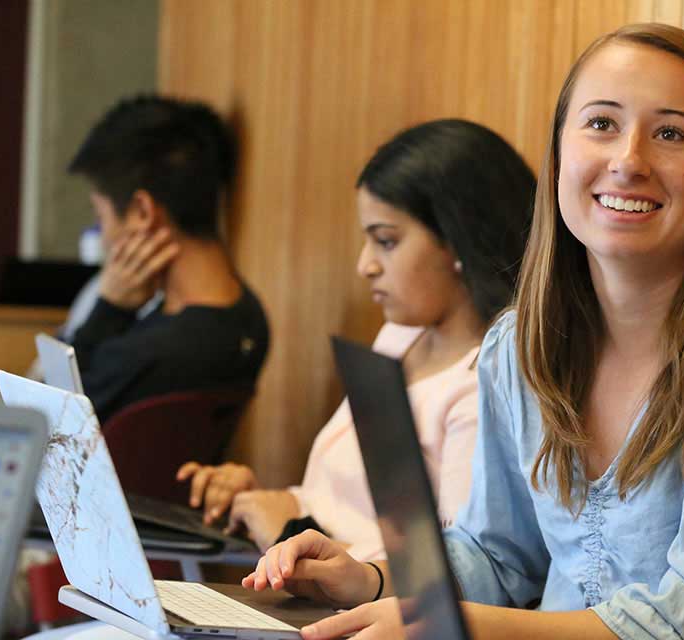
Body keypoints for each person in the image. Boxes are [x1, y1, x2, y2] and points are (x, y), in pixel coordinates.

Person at [242, 23, 684, 640]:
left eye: (670, 133)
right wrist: (371, 579)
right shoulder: (516, 346)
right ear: (559, 157)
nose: (629, 160)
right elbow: (498, 556)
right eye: (602, 123)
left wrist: (468, 628)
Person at [177, 119, 536, 560]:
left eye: (386, 241)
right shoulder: (399, 338)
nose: (366, 265)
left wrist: (292, 532)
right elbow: (344, 506)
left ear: (460, 240)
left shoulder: (485, 385)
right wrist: (264, 502)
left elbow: (453, 572)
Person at [67, 95, 270, 423]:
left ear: (143, 212)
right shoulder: (251, 317)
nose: (103, 237)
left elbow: (44, 425)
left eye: (101, 216)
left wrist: (109, 311)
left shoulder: (145, 355)